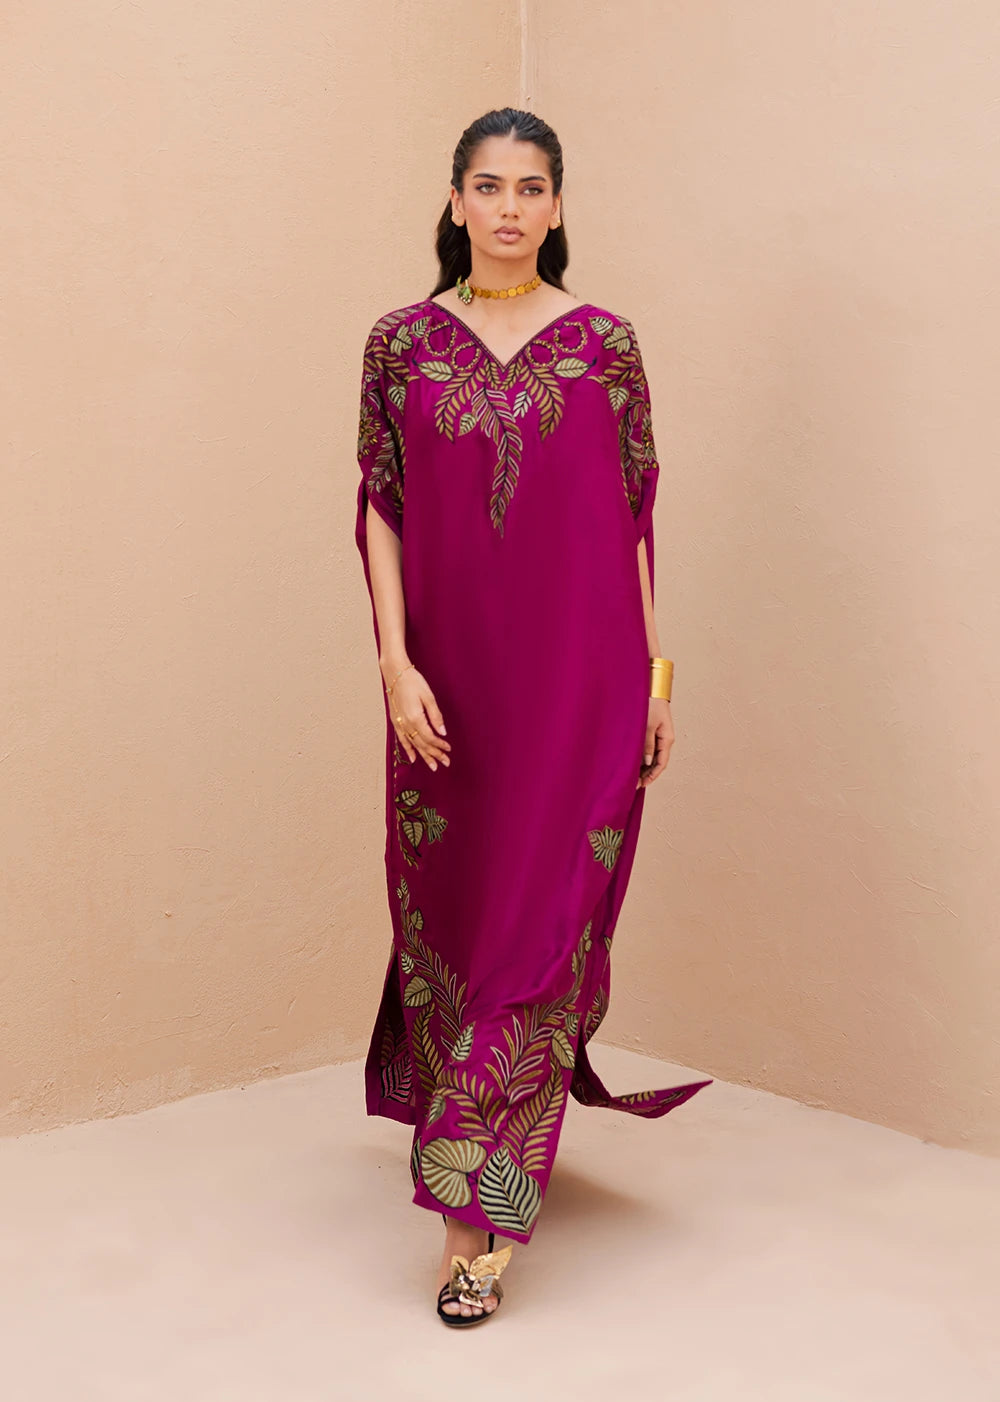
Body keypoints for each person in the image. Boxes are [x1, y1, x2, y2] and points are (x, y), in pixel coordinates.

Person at [354, 107, 712, 1327]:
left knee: (538, 933)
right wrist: (394, 663)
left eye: (531, 188)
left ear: (556, 206)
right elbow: (382, 508)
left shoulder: (604, 344)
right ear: (454, 199)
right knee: (459, 921)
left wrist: (654, 682)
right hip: (452, 687)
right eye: (488, 186)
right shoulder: (401, 344)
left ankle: (475, 1221)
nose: (509, 207)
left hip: (583, 683)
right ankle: (470, 1129)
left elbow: (634, 519)